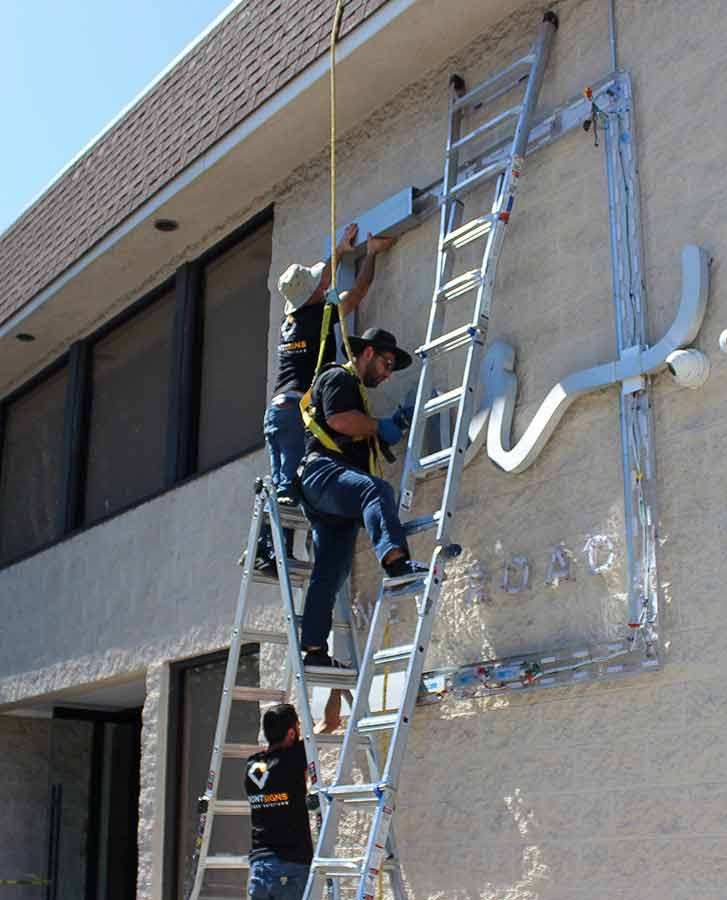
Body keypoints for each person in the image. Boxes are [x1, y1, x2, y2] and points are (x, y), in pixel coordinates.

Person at [256, 224, 397, 578]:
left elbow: (315, 285)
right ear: (315, 295)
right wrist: (371, 254)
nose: (326, 284)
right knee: (291, 491)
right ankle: (267, 550)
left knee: (282, 487)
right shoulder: (319, 316)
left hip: (276, 413)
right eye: (321, 284)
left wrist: (338, 251)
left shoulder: (292, 320)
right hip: (293, 418)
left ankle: (266, 550)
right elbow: (358, 292)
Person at [297, 327, 421, 672]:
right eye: (386, 363)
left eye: (392, 368)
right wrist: (379, 426)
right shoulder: (339, 376)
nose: (387, 373)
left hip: (329, 491)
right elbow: (339, 419)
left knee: (331, 569)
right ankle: (396, 561)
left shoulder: (354, 392)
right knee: (375, 489)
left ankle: (314, 648)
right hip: (322, 473)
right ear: (367, 353)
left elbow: (356, 431)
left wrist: (389, 426)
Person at [244, 704, 313, 900]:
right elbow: (330, 723)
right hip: (292, 865)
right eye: (299, 726)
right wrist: (336, 686)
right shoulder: (294, 757)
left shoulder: (252, 766)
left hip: (261, 866)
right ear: (291, 733)